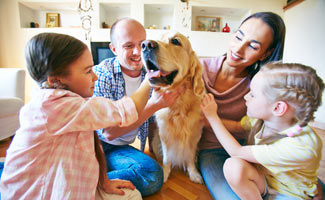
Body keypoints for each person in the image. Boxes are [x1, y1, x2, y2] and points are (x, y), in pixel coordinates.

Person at [0, 32, 152, 199]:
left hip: (72, 180)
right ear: (55, 80)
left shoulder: (68, 102)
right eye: (88, 72)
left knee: (132, 194)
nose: (95, 76)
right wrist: (151, 76)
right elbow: (126, 110)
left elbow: (93, 149)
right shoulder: (52, 106)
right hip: (36, 194)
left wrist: (103, 180)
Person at [201, 62, 324, 199]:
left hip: (289, 193)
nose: (246, 97)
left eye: (253, 94)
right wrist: (203, 121)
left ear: (277, 108)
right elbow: (237, 126)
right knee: (233, 167)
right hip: (266, 181)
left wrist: (212, 117)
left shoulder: (302, 146)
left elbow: (236, 152)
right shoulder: (263, 120)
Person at [197, 11, 287, 199]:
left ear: (266, 54)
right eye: (238, 36)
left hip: (250, 151)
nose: (238, 49)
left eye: (252, 46)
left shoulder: (259, 85)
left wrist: (211, 119)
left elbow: (256, 128)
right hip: (212, 152)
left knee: (309, 189)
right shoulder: (198, 69)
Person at [93, 17, 182, 197]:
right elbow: (108, 133)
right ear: (114, 49)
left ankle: (95, 180)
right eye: (128, 46)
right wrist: (154, 105)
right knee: (149, 175)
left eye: (142, 45)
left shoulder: (151, 71)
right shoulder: (102, 74)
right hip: (96, 147)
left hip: (120, 149)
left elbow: (152, 121)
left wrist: (159, 154)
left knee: (153, 174)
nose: (137, 52)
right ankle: (90, 182)